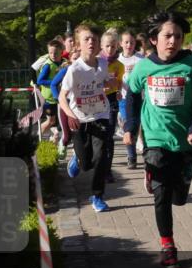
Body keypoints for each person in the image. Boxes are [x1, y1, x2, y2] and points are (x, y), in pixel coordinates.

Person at [124, 11, 192, 268]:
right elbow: (132, 96)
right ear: (154, 39)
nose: (173, 41)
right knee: (161, 195)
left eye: (178, 36)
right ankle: (168, 245)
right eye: (167, 36)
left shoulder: (191, 65)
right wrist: (131, 126)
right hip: (155, 139)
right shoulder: (144, 66)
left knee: (179, 197)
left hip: (185, 139)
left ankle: (168, 183)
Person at [59, 24, 113, 213]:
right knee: (86, 163)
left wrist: (109, 82)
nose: (91, 42)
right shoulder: (74, 70)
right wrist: (71, 115)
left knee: (101, 158)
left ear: (99, 45)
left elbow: (102, 81)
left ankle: (97, 196)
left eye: (94, 39)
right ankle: (77, 159)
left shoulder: (104, 64)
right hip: (79, 119)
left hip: (101, 114)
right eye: (86, 39)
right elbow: (61, 98)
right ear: (78, 45)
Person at [100, 28, 125, 184]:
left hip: (111, 100)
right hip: (95, 100)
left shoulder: (119, 65)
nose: (110, 49)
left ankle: (107, 171)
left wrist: (117, 89)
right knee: (97, 136)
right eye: (107, 46)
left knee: (109, 137)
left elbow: (118, 82)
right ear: (102, 46)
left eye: (113, 46)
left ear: (117, 47)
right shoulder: (96, 62)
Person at [118, 28, 145, 168]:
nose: (129, 45)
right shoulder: (118, 60)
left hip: (140, 97)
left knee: (142, 126)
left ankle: (147, 153)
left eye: (132, 42)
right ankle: (131, 156)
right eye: (126, 42)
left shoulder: (141, 59)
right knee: (127, 126)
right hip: (123, 98)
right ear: (121, 43)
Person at [35, 40, 64, 142]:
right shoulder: (48, 65)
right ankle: (36, 138)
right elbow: (40, 80)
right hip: (48, 98)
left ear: (61, 52)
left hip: (58, 97)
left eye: (55, 53)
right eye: (50, 53)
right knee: (51, 121)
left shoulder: (64, 62)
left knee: (54, 121)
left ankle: (53, 140)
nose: (53, 55)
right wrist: (55, 82)